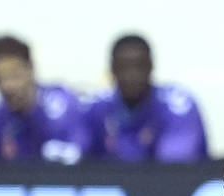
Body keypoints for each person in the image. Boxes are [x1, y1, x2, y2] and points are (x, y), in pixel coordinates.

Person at [84, 35, 208, 163]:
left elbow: (174, 168)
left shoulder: (178, 105)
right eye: (124, 67)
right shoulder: (95, 108)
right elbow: (73, 160)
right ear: (112, 69)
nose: (132, 75)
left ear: (151, 66)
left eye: (139, 66)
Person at [0, 35, 87, 163]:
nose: (8, 86)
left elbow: (79, 150)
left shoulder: (63, 104)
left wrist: (32, 112)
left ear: (31, 68)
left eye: (14, 75)